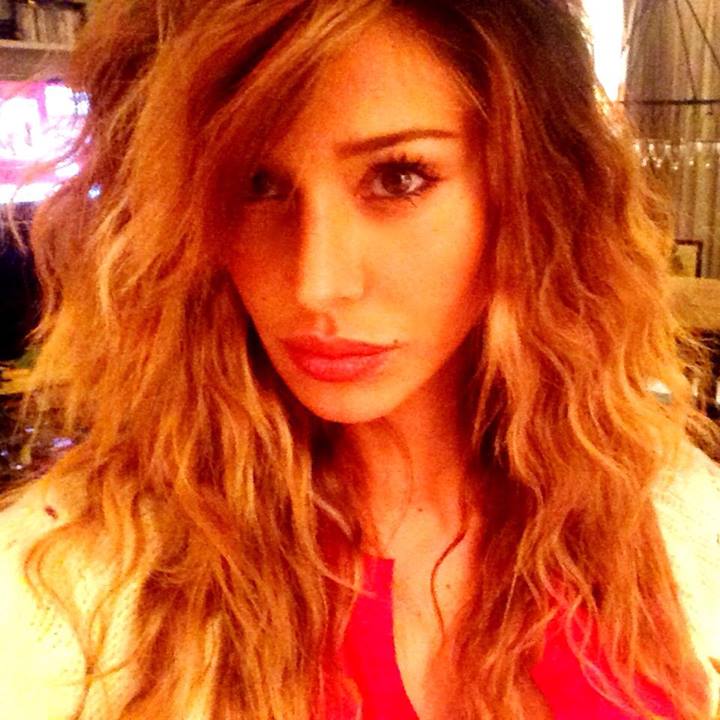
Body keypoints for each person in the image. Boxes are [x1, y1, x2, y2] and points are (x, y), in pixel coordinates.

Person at [0, 1, 718, 718]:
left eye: (398, 178)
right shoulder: (65, 584)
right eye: (255, 185)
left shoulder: (669, 508)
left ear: (533, 195)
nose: (316, 284)